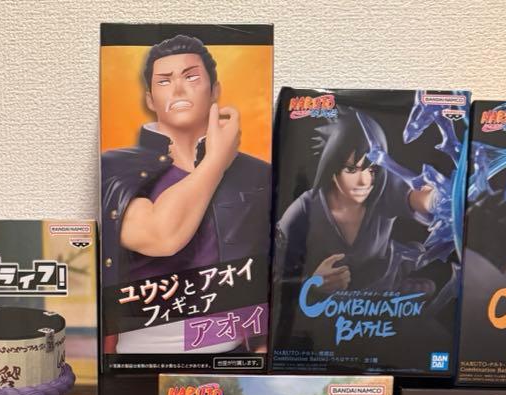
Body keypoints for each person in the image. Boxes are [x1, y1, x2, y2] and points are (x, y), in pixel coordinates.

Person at [101, 34, 270, 353]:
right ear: (150, 99)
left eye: (191, 77)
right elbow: (160, 236)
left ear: (215, 90)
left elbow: (273, 266)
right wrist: (217, 161)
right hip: (139, 352)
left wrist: (264, 347)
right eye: (164, 81)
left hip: (231, 350)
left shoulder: (259, 175)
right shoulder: (114, 167)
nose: (178, 89)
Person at [273, 108, 437, 343]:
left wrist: (437, 198)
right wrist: (313, 282)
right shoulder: (304, 209)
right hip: (326, 318)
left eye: (372, 169)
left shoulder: (382, 190)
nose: (364, 181)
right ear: (332, 167)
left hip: (384, 304)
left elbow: (417, 196)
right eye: (351, 169)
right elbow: (274, 276)